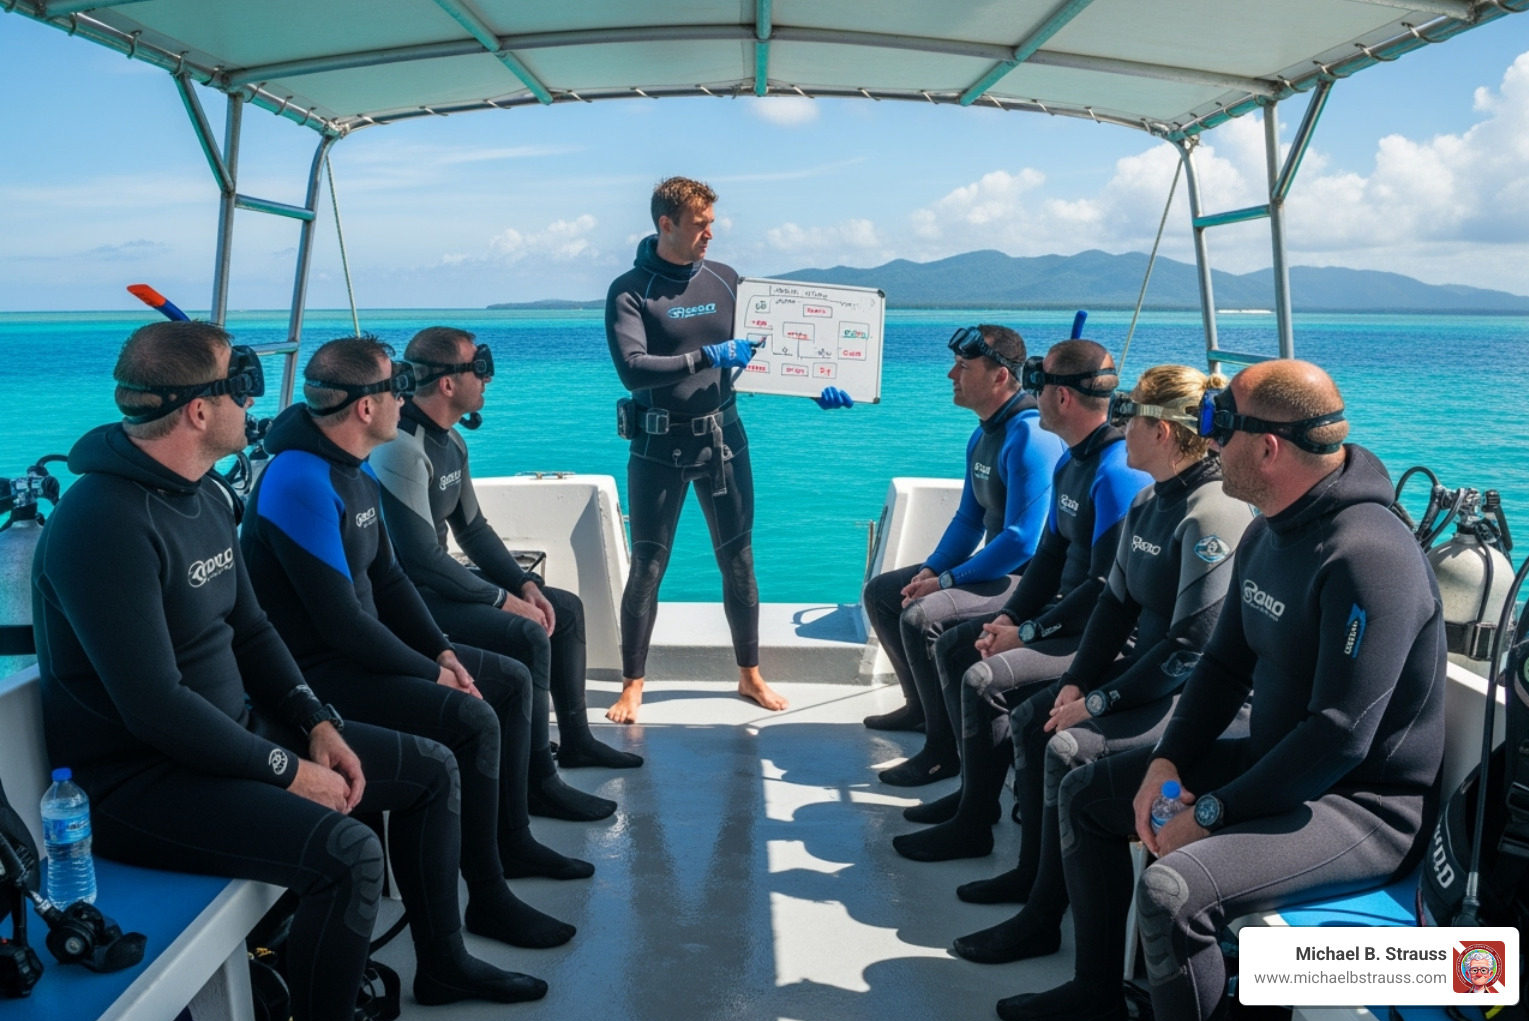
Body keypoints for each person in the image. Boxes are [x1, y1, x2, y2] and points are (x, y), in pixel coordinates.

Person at [32, 321, 546, 1021]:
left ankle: (445, 963)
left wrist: (316, 722)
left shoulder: (206, 495)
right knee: (351, 855)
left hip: (230, 735)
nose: (258, 403)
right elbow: (154, 706)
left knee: (430, 768)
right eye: (242, 388)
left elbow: (251, 629)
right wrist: (286, 769)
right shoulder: (103, 522)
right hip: (142, 782)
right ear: (199, 409)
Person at [997, 360, 1445, 1021]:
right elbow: (1223, 668)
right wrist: (1166, 764)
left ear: (1267, 446)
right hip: (1275, 763)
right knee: (1089, 793)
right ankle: (1097, 995)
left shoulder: (1369, 555)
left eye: (1217, 429)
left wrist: (1210, 814)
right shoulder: (1268, 529)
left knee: (1173, 893)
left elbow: (1339, 734)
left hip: (1361, 809)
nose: (1206, 444)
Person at [241, 336, 588, 956]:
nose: (407, 401)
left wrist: (442, 653)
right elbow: (343, 623)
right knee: (470, 719)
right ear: (366, 408)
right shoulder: (298, 478)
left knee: (503, 680)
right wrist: (430, 674)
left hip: (357, 655)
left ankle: (508, 849)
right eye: (395, 390)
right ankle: (464, 929)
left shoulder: (350, 465)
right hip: (317, 675)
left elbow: (390, 579)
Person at [949, 364, 1253, 965]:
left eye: (1128, 413)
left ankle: (1063, 939)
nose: (1119, 424)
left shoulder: (1213, 513)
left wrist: (1099, 702)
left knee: (1069, 751)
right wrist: (1077, 683)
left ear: (1163, 432)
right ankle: (1033, 889)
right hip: (1150, 672)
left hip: (1195, 696)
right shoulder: (1149, 500)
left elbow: (1192, 647)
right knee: (1042, 716)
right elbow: (1114, 603)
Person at [891, 339, 1149, 862]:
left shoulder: (1115, 472)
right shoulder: (1072, 461)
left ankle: (990, 829)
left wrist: (1027, 633)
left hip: (1102, 630)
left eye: (1036, 385)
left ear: (1060, 398)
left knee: (984, 676)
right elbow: (1050, 559)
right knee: (964, 644)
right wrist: (1009, 618)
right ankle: (974, 805)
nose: (1029, 397)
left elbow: (1103, 589)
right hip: (1066, 611)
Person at [603, 175, 849, 723]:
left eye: (713, 222)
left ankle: (749, 675)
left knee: (739, 560)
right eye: (699, 224)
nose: (711, 233)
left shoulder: (727, 279)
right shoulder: (630, 290)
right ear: (666, 224)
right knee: (647, 565)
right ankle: (632, 685)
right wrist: (708, 355)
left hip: (724, 439)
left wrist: (816, 388)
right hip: (658, 444)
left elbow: (775, 349)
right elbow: (632, 369)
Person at [371, 325, 644, 783]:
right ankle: (538, 776)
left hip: (437, 583)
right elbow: (418, 559)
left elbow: (473, 530)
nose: (488, 379)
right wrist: (503, 601)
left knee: (566, 609)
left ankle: (576, 742)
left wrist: (524, 585)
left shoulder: (451, 441)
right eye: (480, 368)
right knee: (528, 632)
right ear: (447, 383)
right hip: (407, 598)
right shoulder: (401, 447)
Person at [861, 325, 1067, 792]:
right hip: (998, 566)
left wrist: (949, 580)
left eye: (964, 367)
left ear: (1000, 377)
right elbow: (968, 521)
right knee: (884, 593)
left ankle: (943, 753)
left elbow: (1021, 541)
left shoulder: (1030, 436)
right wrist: (933, 569)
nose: (951, 375)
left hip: (1031, 581)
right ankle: (922, 710)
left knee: (921, 618)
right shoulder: (983, 435)